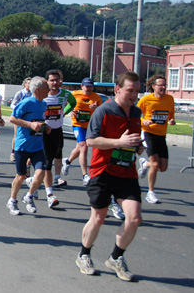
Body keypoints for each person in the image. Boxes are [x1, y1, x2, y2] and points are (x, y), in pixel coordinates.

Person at [75, 71, 143, 282]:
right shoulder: (103, 111)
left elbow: (133, 141)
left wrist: (140, 150)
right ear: (118, 89)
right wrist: (119, 143)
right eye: (130, 90)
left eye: (136, 91)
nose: (133, 95)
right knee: (99, 217)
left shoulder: (136, 112)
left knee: (134, 218)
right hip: (102, 171)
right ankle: (83, 254)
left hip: (127, 173)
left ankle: (116, 258)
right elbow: (92, 141)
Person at [27, 69, 76, 209]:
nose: (54, 83)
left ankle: (33, 180)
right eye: (52, 80)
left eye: (57, 80)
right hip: (43, 132)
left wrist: (63, 112)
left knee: (54, 157)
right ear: (47, 81)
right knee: (47, 163)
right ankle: (50, 195)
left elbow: (72, 103)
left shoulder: (65, 94)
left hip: (57, 131)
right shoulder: (42, 94)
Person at [7, 76, 49, 215]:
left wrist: (46, 127)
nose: (49, 89)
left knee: (41, 173)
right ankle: (12, 200)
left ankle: (29, 196)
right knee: (21, 176)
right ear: (38, 89)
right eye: (46, 87)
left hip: (37, 146)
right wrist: (30, 124)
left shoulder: (44, 104)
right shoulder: (26, 102)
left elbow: (40, 121)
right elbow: (13, 118)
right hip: (23, 145)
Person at [136, 75, 176, 204]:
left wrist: (171, 120)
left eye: (165, 85)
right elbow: (135, 114)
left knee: (162, 167)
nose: (163, 87)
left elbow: (171, 115)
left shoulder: (170, 99)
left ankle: (144, 164)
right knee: (155, 164)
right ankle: (150, 193)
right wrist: (144, 120)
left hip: (161, 135)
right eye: (160, 85)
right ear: (153, 86)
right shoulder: (146, 99)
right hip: (148, 134)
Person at [62, 77, 103, 186]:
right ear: (82, 86)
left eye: (91, 86)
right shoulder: (75, 94)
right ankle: (85, 175)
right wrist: (71, 111)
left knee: (79, 148)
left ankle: (67, 161)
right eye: (87, 86)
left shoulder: (96, 97)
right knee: (83, 147)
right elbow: (66, 105)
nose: (89, 88)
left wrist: (96, 108)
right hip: (78, 124)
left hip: (89, 125)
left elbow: (101, 113)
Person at [10, 77, 32, 162]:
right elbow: (13, 104)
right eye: (28, 83)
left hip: (29, 118)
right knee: (17, 135)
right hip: (19, 118)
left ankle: (28, 154)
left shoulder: (33, 94)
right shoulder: (20, 93)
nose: (30, 85)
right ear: (25, 84)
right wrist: (19, 110)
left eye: (31, 83)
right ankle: (13, 153)